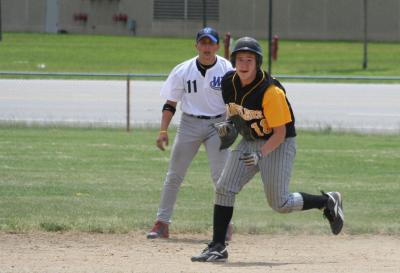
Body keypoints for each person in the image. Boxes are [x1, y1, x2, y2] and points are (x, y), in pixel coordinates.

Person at [191, 37, 344, 262]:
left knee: (280, 203)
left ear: (258, 62)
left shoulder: (270, 92)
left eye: (249, 60)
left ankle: (326, 202)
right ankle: (218, 246)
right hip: (250, 139)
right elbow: (234, 111)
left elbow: (280, 133)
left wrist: (260, 155)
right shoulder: (228, 82)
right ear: (234, 61)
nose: (244, 64)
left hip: (278, 144)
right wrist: (229, 126)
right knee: (224, 188)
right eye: (240, 59)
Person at [147, 27, 234, 239]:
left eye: (210, 43)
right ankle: (162, 223)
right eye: (202, 43)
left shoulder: (226, 69)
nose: (206, 47)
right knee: (174, 175)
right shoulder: (183, 70)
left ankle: (225, 225)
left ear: (217, 46)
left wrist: (231, 124)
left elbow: (233, 101)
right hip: (189, 124)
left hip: (218, 124)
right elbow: (170, 103)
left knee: (221, 178)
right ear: (196, 45)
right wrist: (163, 130)